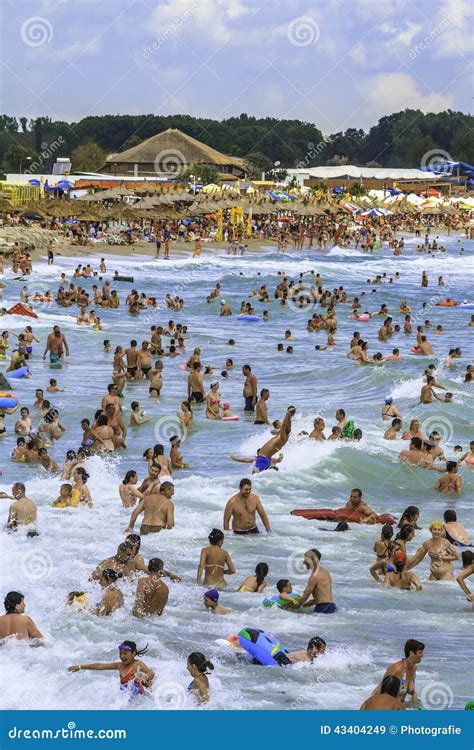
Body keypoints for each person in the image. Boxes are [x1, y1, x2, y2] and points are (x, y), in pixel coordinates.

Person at [68, 641, 154, 696]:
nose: (122, 656)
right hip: (126, 698)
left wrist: (144, 677)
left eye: (125, 653)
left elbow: (151, 673)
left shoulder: (137, 664)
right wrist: (80, 667)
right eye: (120, 653)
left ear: (133, 653)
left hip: (142, 698)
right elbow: (101, 666)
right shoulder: (119, 666)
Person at [375, 639, 425, 704]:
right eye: (420, 653)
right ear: (411, 653)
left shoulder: (414, 668)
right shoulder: (397, 669)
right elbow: (381, 691)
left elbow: (412, 692)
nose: (422, 655)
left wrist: (417, 707)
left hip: (399, 706)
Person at [297, 549, 336, 613]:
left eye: (306, 560)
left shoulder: (314, 576)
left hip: (322, 608)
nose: (304, 562)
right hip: (331, 606)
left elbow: (304, 598)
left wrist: (287, 606)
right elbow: (323, 594)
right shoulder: (325, 572)